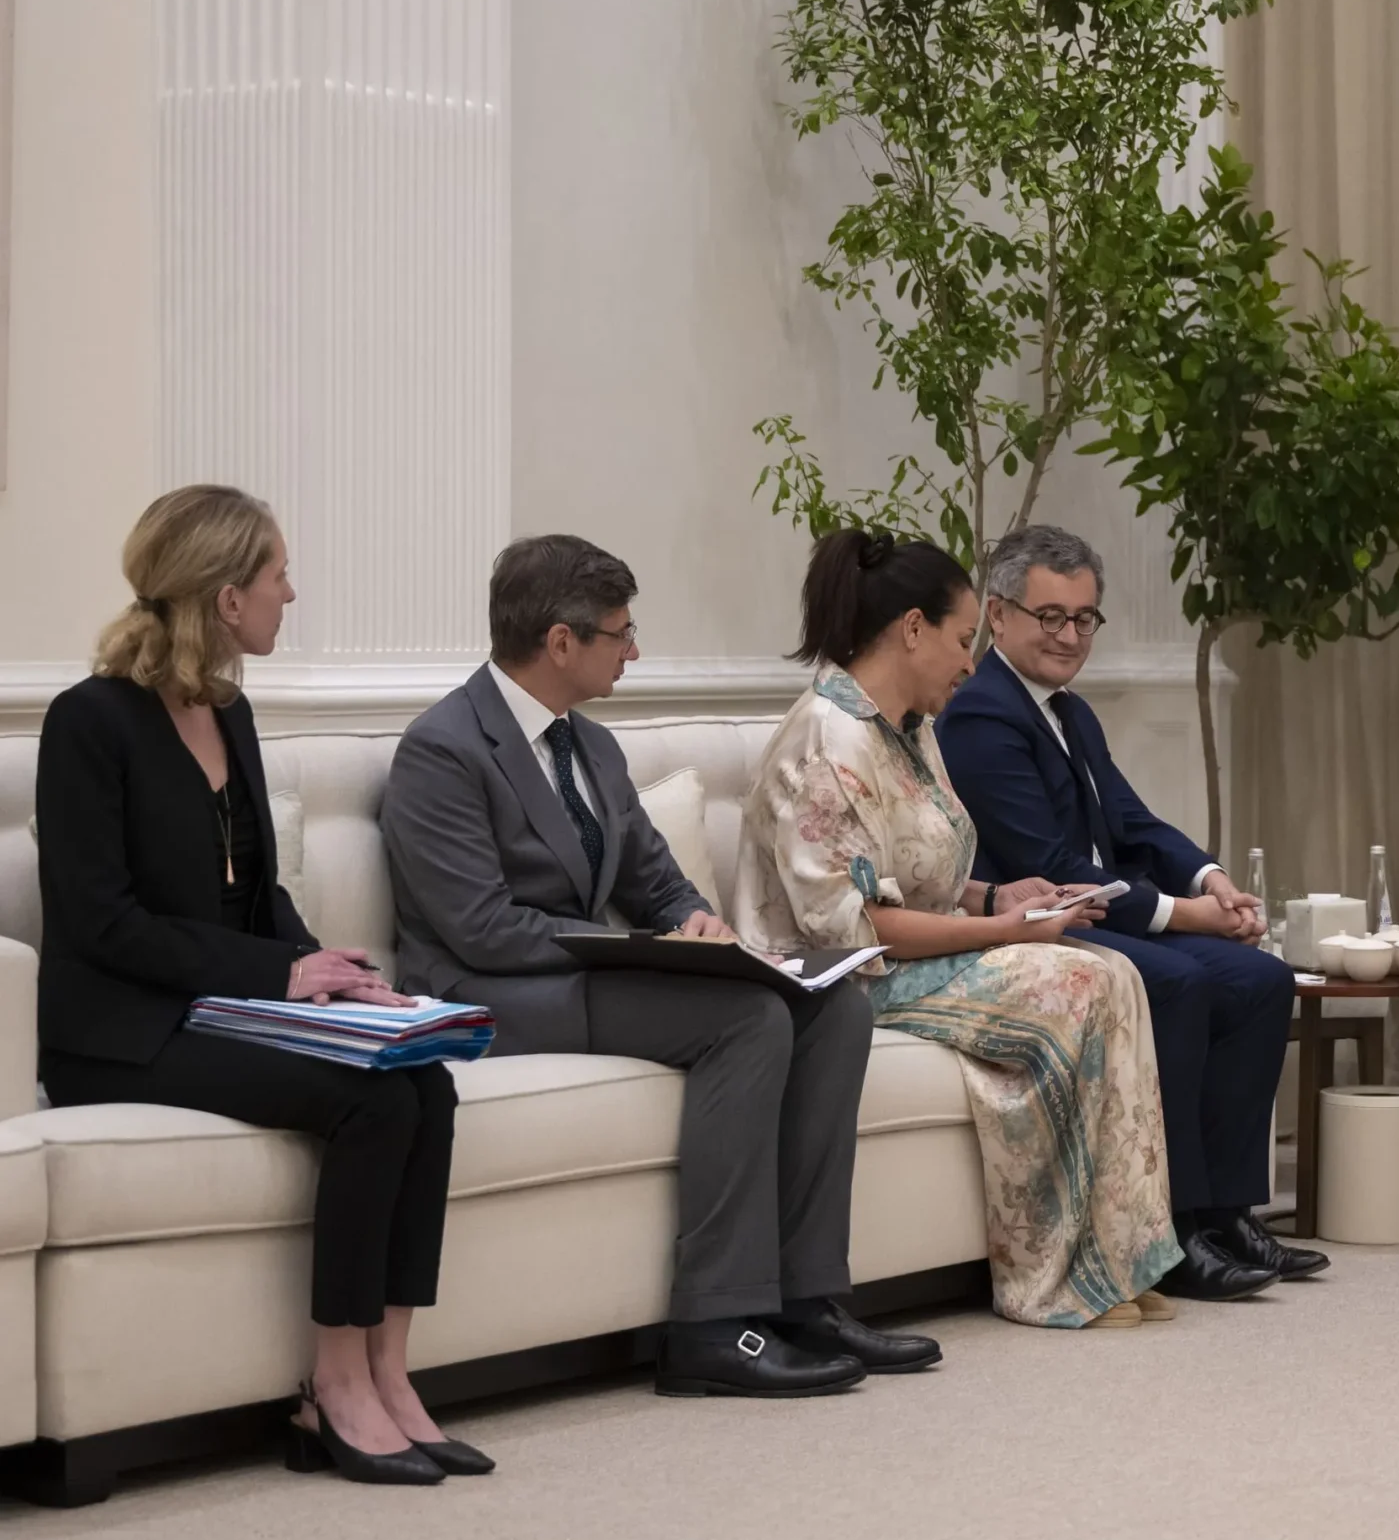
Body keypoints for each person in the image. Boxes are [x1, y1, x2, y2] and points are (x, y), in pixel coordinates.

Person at [380, 534, 937, 1396]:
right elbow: (479, 930)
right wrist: (638, 954)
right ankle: (714, 1326)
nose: (634, 650)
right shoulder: (443, 750)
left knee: (831, 1007)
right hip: (487, 997)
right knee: (745, 1021)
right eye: (621, 633)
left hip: (584, 973)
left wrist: (701, 931)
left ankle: (808, 1298)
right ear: (561, 642)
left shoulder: (592, 748)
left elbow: (652, 880)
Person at [35, 486, 477, 1485]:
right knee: (366, 1103)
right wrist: (281, 973)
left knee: (424, 1078)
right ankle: (330, 1389)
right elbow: (106, 925)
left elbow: (253, 896)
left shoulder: (226, 712)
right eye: (279, 574)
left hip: (219, 1005)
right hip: (120, 1035)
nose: (293, 591)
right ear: (228, 598)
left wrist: (337, 976)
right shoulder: (88, 724)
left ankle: (387, 1370)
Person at [730, 529, 1232, 1327]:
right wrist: (1009, 936)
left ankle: (1116, 1256)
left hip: (900, 952)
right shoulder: (826, 740)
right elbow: (858, 925)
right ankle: (1050, 1278)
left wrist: (993, 897)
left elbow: (916, 873)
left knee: (1112, 973)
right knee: (1073, 982)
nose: (972, 662)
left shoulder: (910, 727)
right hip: (839, 978)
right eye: (965, 640)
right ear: (911, 630)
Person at [937, 524, 1320, 1284]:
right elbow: (1051, 868)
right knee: (1178, 981)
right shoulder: (982, 715)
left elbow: (1133, 822)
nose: (1070, 634)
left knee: (1260, 980)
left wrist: (1210, 879)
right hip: (1035, 927)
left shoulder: (1067, 710)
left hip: (1104, 917)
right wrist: (1183, 916)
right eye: (1051, 616)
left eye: (1084, 617)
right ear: (999, 615)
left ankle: (1228, 1214)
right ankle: (1169, 1233)